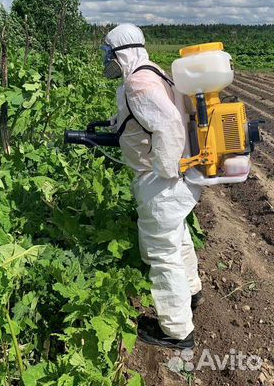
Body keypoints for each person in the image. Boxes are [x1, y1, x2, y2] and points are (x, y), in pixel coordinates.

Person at [103, 23, 204, 349]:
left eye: (110, 54)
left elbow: (169, 124)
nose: (109, 61)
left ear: (121, 53)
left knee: (161, 254)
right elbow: (145, 120)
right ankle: (191, 291)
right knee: (178, 236)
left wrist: (164, 172)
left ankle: (177, 332)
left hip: (163, 180)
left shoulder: (138, 83)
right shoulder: (152, 72)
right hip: (181, 179)